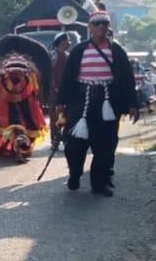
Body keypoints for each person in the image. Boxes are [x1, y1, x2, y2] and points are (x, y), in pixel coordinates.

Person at [56, 11, 139, 197]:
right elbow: (68, 78)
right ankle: (75, 174)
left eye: (105, 23)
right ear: (90, 27)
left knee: (105, 146)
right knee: (74, 144)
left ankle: (100, 183)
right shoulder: (79, 51)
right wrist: (62, 102)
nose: (101, 27)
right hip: (81, 103)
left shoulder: (117, 51)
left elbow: (127, 79)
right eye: (97, 23)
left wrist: (132, 104)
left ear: (109, 27)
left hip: (108, 104)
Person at [0, 35, 51, 163]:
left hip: (21, 106)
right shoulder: (7, 77)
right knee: (15, 128)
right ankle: (15, 150)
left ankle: (17, 151)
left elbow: (33, 89)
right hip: (10, 106)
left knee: (18, 128)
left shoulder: (26, 77)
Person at [49, 32, 71, 144]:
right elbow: (51, 73)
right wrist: (54, 87)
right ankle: (55, 139)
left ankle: (64, 137)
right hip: (55, 92)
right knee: (54, 116)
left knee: (67, 115)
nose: (69, 42)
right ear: (61, 42)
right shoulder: (53, 55)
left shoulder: (68, 55)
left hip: (67, 91)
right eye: (67, 40)